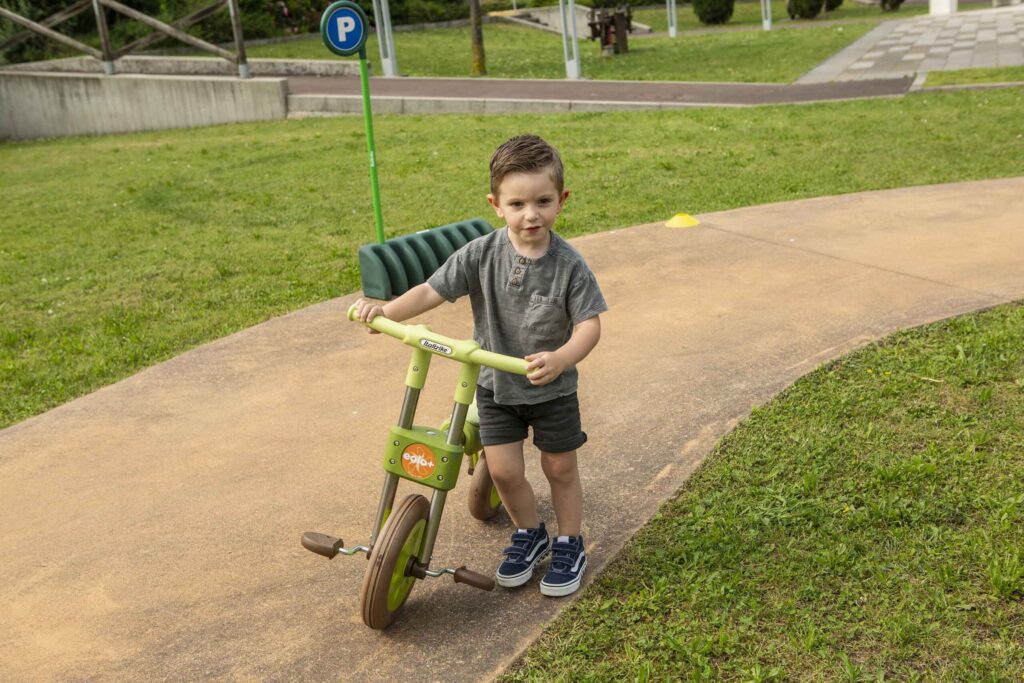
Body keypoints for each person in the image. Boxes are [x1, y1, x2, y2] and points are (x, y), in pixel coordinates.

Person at [354, 134, 607, 597]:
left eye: (543, 202)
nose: (531, 214)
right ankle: (530, 533)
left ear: (561, 200)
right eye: (517, 204)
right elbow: (433, 290)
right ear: (496, 204)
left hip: (550, 391)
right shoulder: (481, 253)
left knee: (559, 469)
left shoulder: (569, 265)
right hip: (493, 387)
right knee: (506, 472)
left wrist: (562, 357)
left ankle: (570, 542)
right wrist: (388, 312)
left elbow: (589, 325)